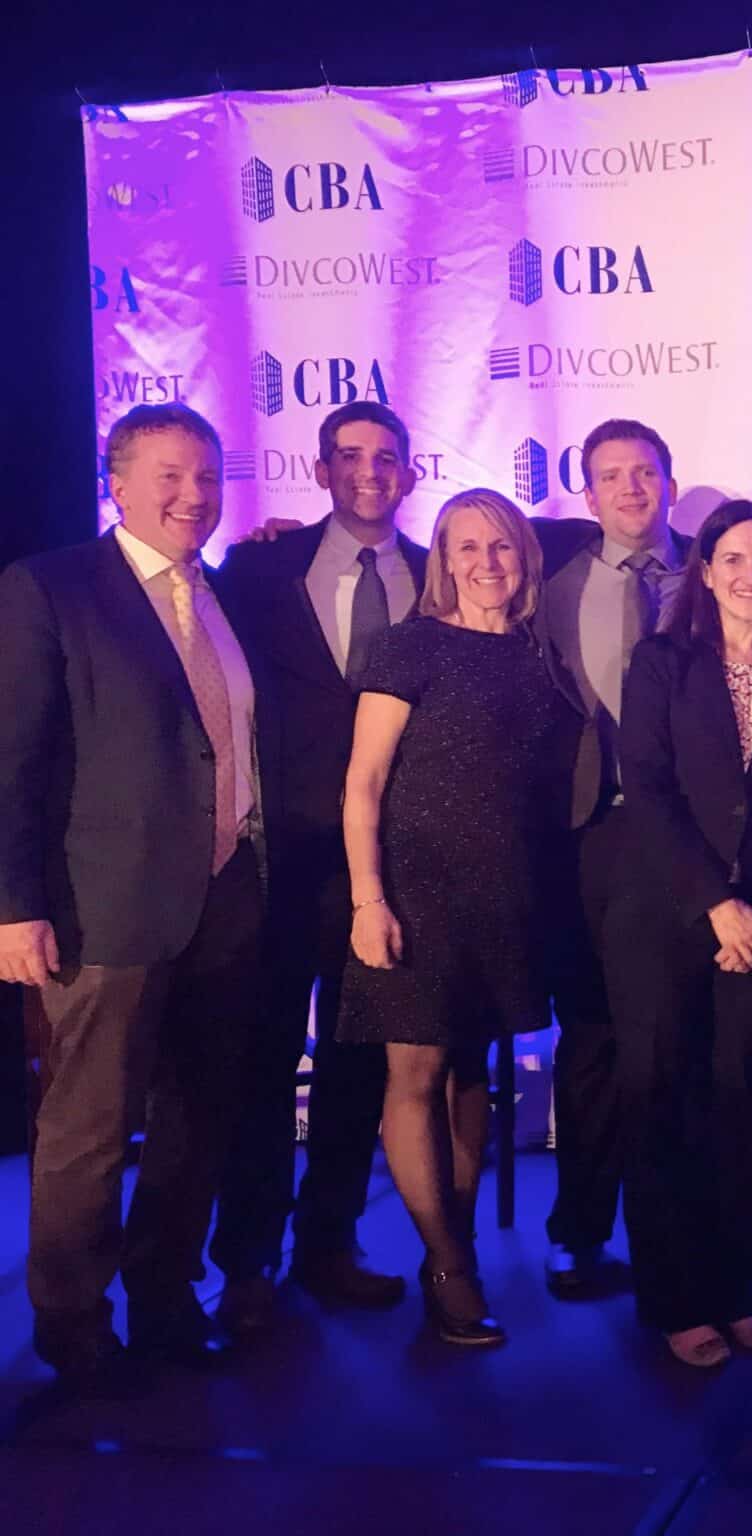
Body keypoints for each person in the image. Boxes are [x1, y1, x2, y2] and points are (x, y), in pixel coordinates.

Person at [0, 403, 267, 1391]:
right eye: (169, 475)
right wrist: (10, 904)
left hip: (226, 899)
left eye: (206, 476)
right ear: (116, 482)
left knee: (198, 1115)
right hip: (102, 907)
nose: (192, 495)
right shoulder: (50, 590)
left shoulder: (223, 594)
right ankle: (73, 1323)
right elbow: (11, 762)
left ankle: (163, 1298)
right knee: (91, 1125)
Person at [336, 489, 576, 1347]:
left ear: (526, 558)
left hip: (506, 895)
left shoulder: (543, 657)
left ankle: (458, 1238)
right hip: (414, 890)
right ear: (442, 557)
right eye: (466, 546)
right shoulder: (408, 647)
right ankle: (444, 1266)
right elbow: (362, 785)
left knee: (472, 1071)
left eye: (502, 546)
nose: (486, 563)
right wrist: (369, 899)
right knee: (415, 1074)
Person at [208, 402, 426, 1333]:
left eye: (385, 458)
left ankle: (330, 1244)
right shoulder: (257, 570)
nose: (368, 471)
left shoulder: (442, 573)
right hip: (280, 858)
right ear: (322, 467)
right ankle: (248, 1255)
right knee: (260, 1059)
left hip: (390, 858)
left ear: (410, 472)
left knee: (355, 1061)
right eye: (349, 456)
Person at [616, 500, 752, 1367]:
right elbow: (650, 788)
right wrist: (716, 902)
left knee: (739, 1104)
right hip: (669, 919)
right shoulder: (661, 662)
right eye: (733, 559)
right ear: (703, 570)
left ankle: (737, 1294)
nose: (751, 576)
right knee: (667, 1103)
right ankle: (677, 1301)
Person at [531, 419, 693, 1298]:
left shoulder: (721, 569)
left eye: (646, 471)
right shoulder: (546, 587)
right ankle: (581, 1228)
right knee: (592, 1038)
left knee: (676, 1045)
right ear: (586, 496)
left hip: (698, 848)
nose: (631, 488)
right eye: (611, 477)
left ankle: (679, 1232)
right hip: (592, 840)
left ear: (670, 479)